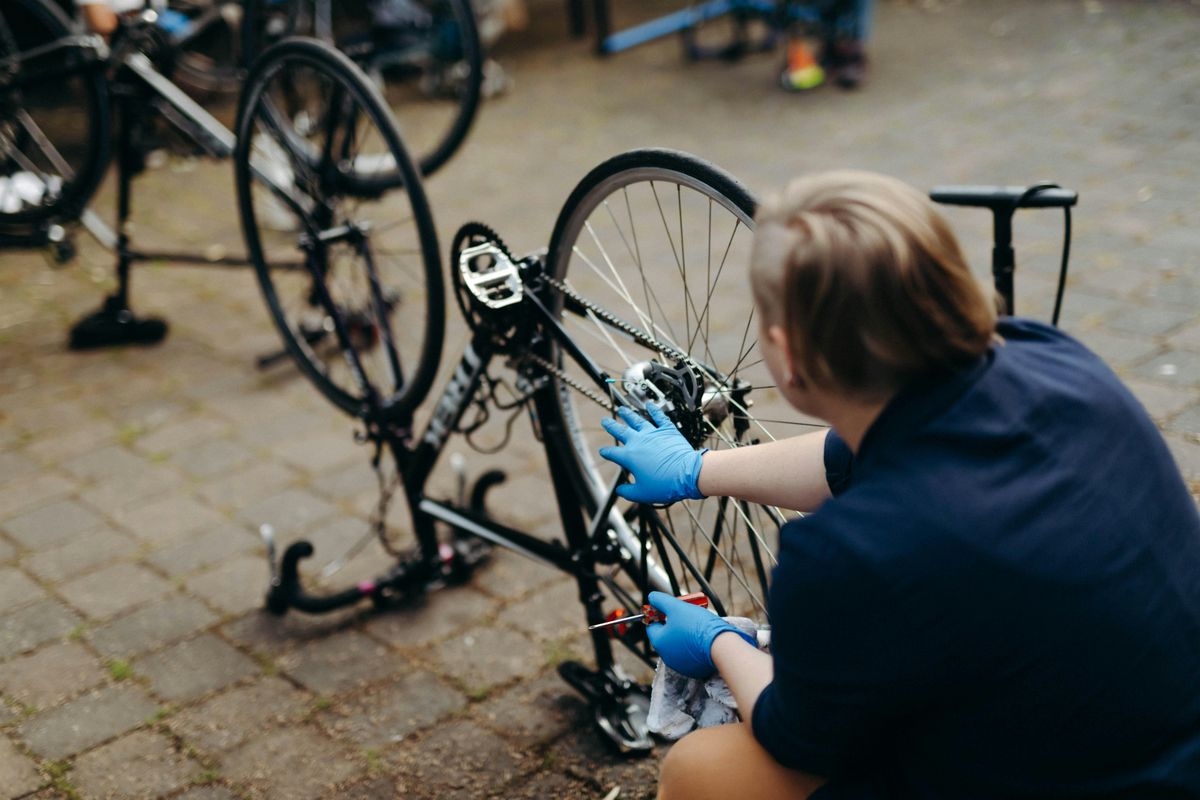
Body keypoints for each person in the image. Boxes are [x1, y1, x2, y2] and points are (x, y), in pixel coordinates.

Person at [598, 170, 1200, 799]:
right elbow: (853, 453)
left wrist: (720, 641)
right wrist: (698, 472)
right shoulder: (1050, 357)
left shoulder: (841, 554)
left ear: (786, 352)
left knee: (701, 770)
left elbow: (793, 736)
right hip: (1171, 742)